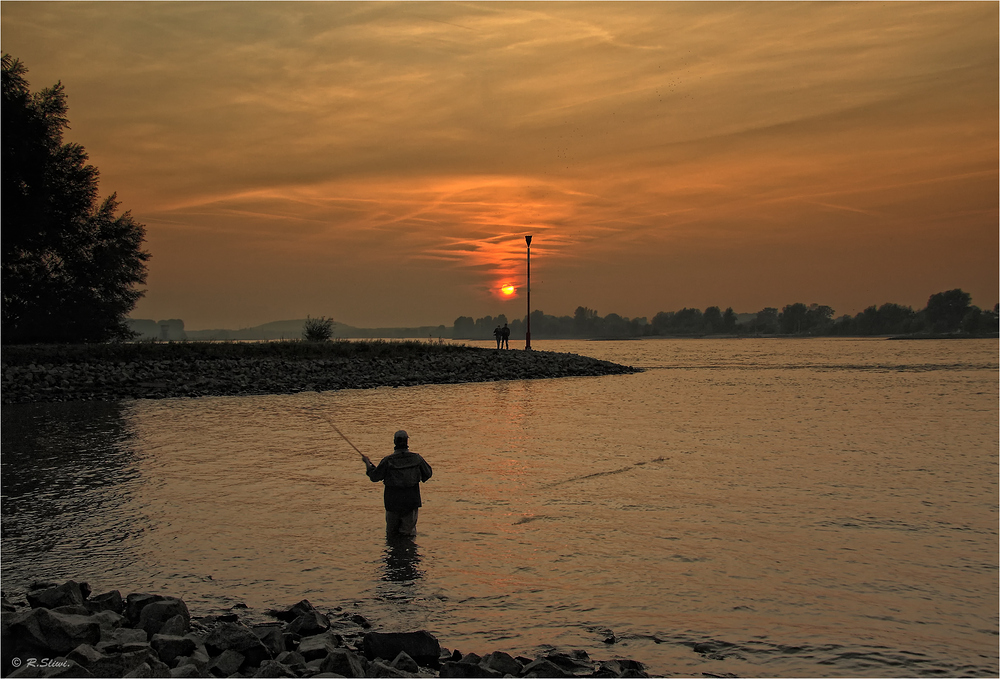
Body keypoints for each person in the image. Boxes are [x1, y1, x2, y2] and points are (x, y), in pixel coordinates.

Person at [362, 430, 433, 537]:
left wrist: (367, 463)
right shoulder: (417, 458)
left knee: (391, 535)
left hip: (392, 504)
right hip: (411, 503)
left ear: (394, 442)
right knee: (408, 535)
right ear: (407, 442)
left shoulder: (387, 461)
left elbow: (374, 477)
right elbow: (428, 474)